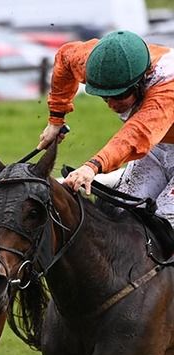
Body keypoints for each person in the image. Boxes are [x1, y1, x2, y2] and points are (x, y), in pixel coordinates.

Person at [38, 30, 174, 229]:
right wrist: (56, 119)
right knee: (121, 213)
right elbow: (65, 57)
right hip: (161, 144)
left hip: (149, 137)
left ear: (140, 82)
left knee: (165, 220)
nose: (111, 104)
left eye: (118, 96)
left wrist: (92, 166)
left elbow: (137, 135)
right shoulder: (94, 63)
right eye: (104, 97)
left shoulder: (166, 87)